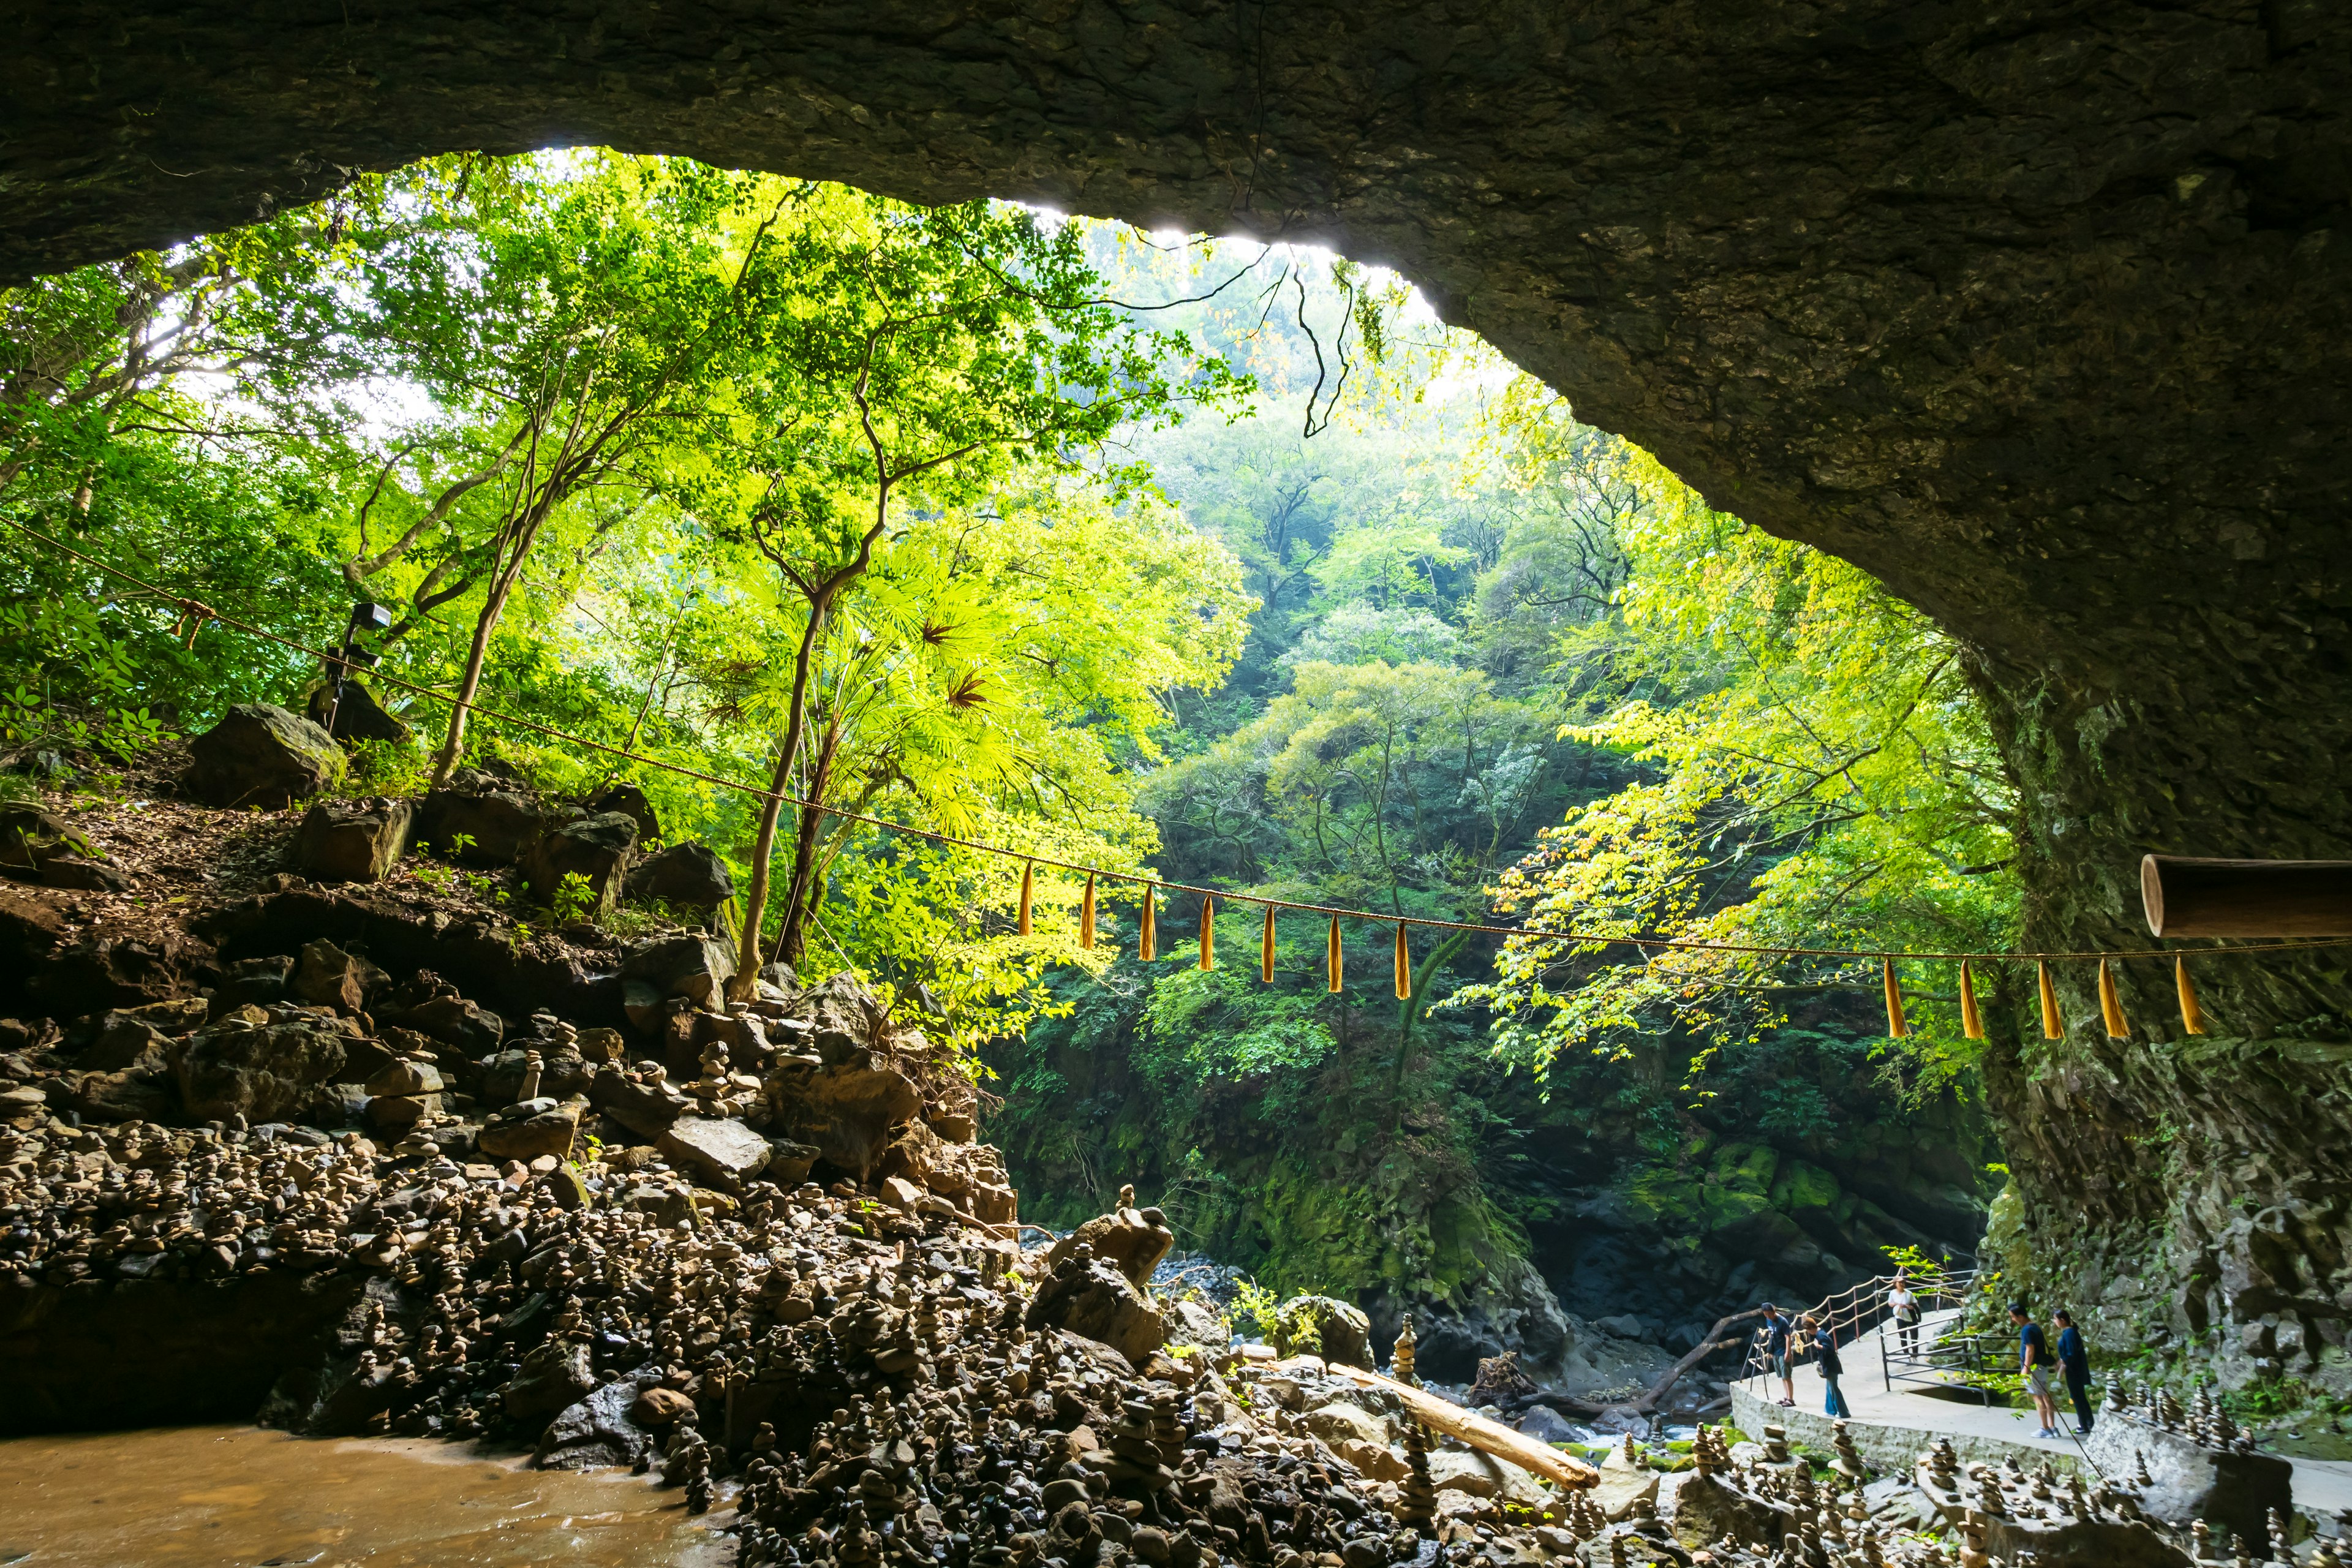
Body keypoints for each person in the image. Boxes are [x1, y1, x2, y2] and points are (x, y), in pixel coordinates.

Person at [2011, 1300, 2061, 1439]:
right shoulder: (2035, 1327)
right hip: (2041, 1366)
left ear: (2020, 1316)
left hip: (2033, 1368)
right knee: (2045, 1395)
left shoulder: (2027, 1330)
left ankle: (2045, 1428)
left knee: (2037, 1397)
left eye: (2013, 1317)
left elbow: (2030, 1350)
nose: (2013, 1320)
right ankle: (2052, 1427)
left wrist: (2025, 1369)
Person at [1805, 1313, 1852, 1419]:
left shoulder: (1821, 1336)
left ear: (1811, 1329)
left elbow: (1830, 1349)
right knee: (1829, 1388)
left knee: (1834, 1389)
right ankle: (1830, 1410)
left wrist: (1818, 1346)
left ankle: (1843, 1412)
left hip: (1831, 1366)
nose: (1808, 1333)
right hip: (1828, 1365)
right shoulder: (1820, 1333)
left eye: (1808, 1330)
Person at [2055, 1309, 2094, 1435]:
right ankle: (2088, 1423)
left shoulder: (2070, 1334)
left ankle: (2084, 1424)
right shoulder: (2069, 1332)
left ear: (2062, 1320)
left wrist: (2064, 1364)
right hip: (2075, 1369)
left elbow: (2071, 1353)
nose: (2055, 1322)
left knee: (2077, 1397)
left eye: (2055, 1319)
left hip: (2074, 1370)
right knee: (2080, 1397)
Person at [1761, 1303, 1796, 1408]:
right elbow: (1771, 1334)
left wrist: (1788, 1352)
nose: (1768, 1316)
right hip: (1775, 1350)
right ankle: (1786, 1397)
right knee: (1782, 1376)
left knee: (1787, 1376)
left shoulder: (1783, 1321)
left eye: (1769, 1314)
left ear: (1774, 1312)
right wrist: (1770, 1351)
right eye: (1765, 1314)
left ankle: (1791, 1399)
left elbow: (1788, 1337)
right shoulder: (1768, 1320)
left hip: (1783, 1351)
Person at [1886, 1270, 1921, 1357]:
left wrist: (1908, 1307)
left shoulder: (1909, 1293)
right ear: (1895, 1284)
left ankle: (1915, 1354)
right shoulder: (1892, 1293)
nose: (1902, 1284)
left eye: (1903, 1282)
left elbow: (1915, 1304)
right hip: (1900, 1317)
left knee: (1914, 1337)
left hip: (1911, 1316)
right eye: (1900, 1283)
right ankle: (1906, 1354)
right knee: (1903, 1337)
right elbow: (1890, 1303)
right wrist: (1896, 1304)